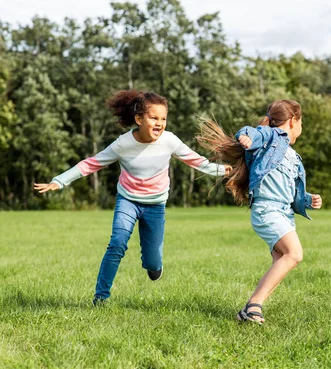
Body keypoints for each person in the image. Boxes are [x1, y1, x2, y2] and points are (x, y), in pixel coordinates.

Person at [34, 90, 231, 305]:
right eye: (154, 118)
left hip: (155, 205)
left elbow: (197, 161)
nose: (159, 123)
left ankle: (154, 266)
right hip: (128, 201)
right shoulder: (123, 144)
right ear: (139, 119)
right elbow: (92, 162)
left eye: (163, 119)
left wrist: (222, 170)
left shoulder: (169, 141)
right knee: (116, 244)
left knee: (153, 262)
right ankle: (101, 297)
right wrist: (60, 180)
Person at [197, 99, 322, 324]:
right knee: (294, 254)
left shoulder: (294, 157)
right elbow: (253, 132)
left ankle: (249, 309)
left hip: (284, 213)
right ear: (294, 121)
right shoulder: (271, 137)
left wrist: (307, 200)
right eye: (302, 122)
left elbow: (291, 192)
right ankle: (254, 305)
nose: (301, 128)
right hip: (267, 209)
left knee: (281, 260)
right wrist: (247, 138)